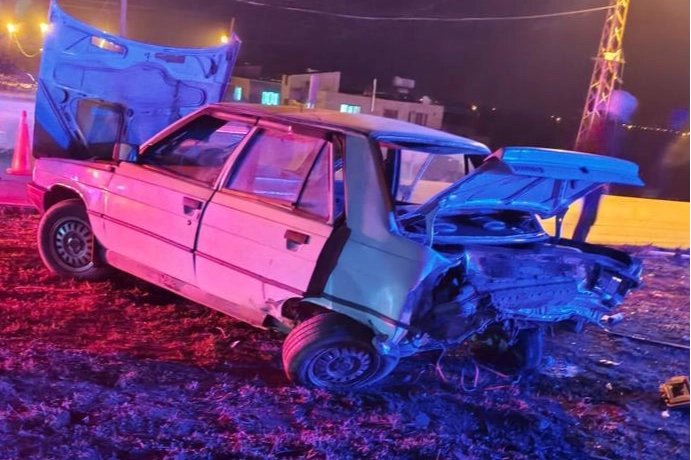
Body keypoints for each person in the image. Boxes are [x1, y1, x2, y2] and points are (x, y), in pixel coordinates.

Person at [572, 90, 638, 242]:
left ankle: (576, 243)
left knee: (588, 215)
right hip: (596, 175)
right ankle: (576, 244)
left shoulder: (602, 125)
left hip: (591, 173)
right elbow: (608, 152)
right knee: (589, 215)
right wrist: (606, 178)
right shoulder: (611, 128)